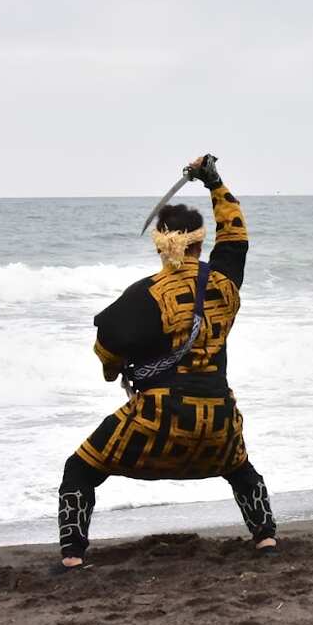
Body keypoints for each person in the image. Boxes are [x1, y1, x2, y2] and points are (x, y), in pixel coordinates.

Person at [55, 155, 276, 571]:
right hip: (219, 428)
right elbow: (236, 235)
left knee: (79, 469)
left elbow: (108, 349)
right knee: (243, 471)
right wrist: (214, 181)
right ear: (199, 241)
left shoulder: (145, 293)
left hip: (157, 427)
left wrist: (114, 368)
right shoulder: (225, 282)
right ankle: (265, 537)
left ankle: (72, 556)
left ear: (161, 242)